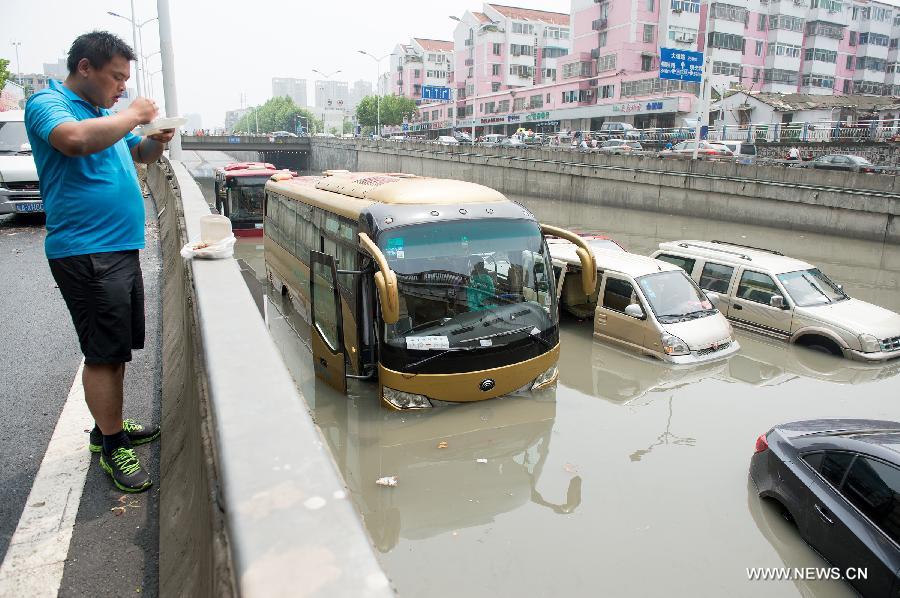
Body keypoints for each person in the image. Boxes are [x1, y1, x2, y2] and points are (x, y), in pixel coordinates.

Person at [25, 31, 172, 493]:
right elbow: (72, 142)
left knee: (117, 350)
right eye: (115, 78)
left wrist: (157, 139)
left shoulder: (105, 114)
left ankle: (106, 428)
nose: (121, 89)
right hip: (86, 252)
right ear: (84, 67)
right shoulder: (51, 105)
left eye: (125, 81)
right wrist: (132, 115)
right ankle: (110, 446)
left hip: (119, 249)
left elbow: (141, 155)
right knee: (103, 356)